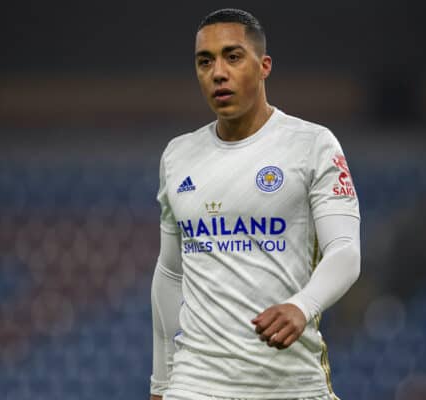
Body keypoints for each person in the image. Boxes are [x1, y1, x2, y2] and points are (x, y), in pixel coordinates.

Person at [150, 8, 361, 400]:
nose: (218, 72)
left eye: (233, 57)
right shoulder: (177, 156)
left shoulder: (312, 145)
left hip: (290, 384)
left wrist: (302, 306)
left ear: (264, 66)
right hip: (195, 385)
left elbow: (345, 251)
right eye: (205, 61)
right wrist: (161, 383)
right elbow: (170, 273)